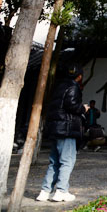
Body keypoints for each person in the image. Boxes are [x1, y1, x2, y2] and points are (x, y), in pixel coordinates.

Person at [36, 64, 88, 203]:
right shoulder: (73, 87)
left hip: (56, 128)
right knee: (67, 161)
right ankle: (61, 191)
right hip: (67, 129)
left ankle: (45, 191)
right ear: (80, 76)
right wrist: (83, 108)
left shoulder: (59, 86)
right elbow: (72, 105)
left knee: (54, 161)